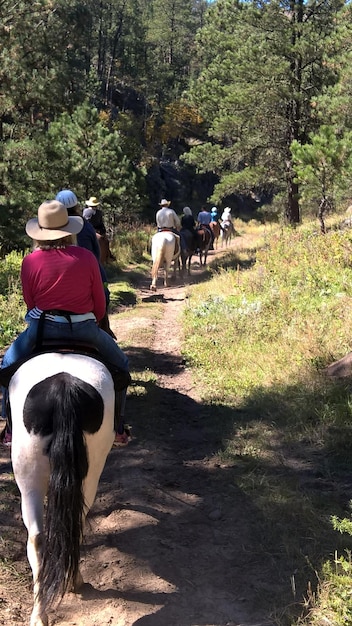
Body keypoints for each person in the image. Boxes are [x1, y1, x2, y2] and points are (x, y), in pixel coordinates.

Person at [0, 200, 130, 448]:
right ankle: (118, 427)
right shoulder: (86, 257)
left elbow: (30, 303)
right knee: (122, 364)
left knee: (7, 365)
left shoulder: (30, 261)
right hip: (84, 330)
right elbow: (99, 305)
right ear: (69, 229)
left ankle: (9, 427)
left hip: (41, 330)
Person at [55, 189, 115, 339]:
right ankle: (104, 326)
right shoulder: (86, 224)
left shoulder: (52, 225)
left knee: (10, 360)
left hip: (44, 320)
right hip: (89, 264)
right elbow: (96, 252)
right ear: (76, 206)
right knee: (104, 291)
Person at [83, 196, 116, 262]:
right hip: (97, 230)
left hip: (87, 229)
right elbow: (101, 223)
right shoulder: (99, 212)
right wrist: (103, 231)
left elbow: (85, 222)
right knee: (106, 242)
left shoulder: (85, 211)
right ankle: (108, 255)